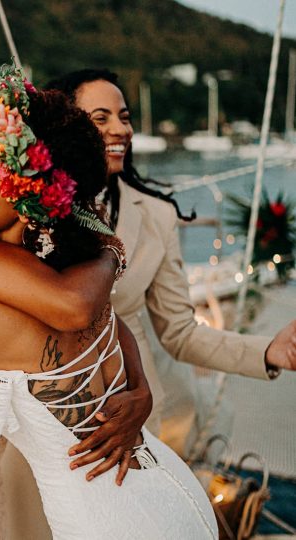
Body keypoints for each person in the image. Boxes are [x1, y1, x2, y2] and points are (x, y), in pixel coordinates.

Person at [0, 67, 218, 539]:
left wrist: (142, 388)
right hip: (169, 488)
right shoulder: (62, 267)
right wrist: (108, 253)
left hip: (102, 520)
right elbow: (93, 313)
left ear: (27, 198)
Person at [43, 69, 296, 447]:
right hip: (43, 404)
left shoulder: (157, 215)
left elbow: (179, 333)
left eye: (124, 117)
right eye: (101, 118)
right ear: (66, 126)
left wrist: (268, 351)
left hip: (132, 404)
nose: (120, 130)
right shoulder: (29, 205)